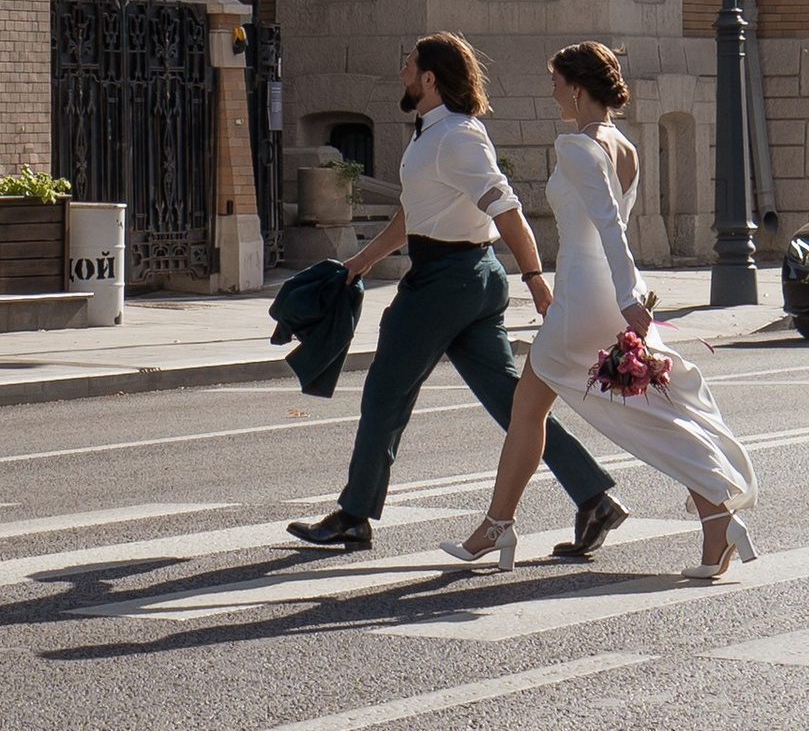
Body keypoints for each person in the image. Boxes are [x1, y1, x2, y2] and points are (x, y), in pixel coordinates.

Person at [287, 36, 629, 560]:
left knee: (385, 392)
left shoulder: (459, 137)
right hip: (461, 277)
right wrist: (360, 262)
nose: (401, 72)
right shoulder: (433, 135)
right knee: (514, 404)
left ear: (429, 79)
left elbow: (506, 208)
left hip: (448, 280)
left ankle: (354, 517)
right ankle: (593, 496)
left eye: (409, 65)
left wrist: (535, 277)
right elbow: (414, 214)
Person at [441, 42, 757, 582]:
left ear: (578, 88)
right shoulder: (625, 145)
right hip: (607, 292)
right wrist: (629, 295)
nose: (553, 92)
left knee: (609, 412)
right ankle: (712, 519)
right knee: (557, 406)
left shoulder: (578, 147)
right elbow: (616, 226)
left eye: (557, 83)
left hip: (586, 297)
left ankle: (499, 526)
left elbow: (611, 226)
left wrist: (631, 300)